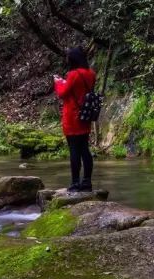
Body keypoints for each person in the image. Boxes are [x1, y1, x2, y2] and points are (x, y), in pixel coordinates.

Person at [54, 47, 97, 192]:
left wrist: (59, 82)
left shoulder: (72, 74)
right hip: (85, 115)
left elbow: (62, 93)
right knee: (85, 148)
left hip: (72, 117)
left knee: (74, 149)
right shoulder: (91, 73)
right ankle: (87, 182)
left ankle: (74, 183)